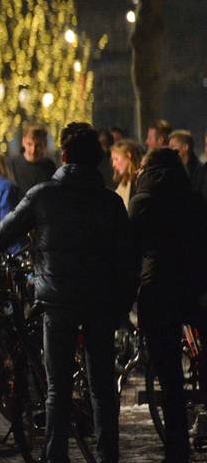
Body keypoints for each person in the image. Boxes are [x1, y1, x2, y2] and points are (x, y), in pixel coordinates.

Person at [0, 123, 137, 463]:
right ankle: (107, 455)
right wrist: (121, 305)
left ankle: (56, 455)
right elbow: (128, 260)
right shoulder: (110, 203)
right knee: (102, 387)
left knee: (58, 388)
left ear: (64, 156)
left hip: (58, 301)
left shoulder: (42, 195)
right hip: (100, 302)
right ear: (96, 160)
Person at [129, 148, 207, 463]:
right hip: (193, 288)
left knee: (169, 375)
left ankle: (177, 448)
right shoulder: (194, 200)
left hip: (157, 290)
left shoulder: (142, 201)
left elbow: (130, 248)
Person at [9, 124, 57, 195]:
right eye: (29, 144)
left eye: (38, 146)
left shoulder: (49, 166)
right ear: (23, 142)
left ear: (45, 144)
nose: (33, 150)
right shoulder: (12, 165)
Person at [168, 130, 207, 202]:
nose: (169, 151)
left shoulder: (201, 172)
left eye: (173, 147)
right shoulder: (171, 170)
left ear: (185, 147)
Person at [110, 139, 141, 208]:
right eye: (112, 160)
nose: (113, 164)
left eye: (116, 159)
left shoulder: (142, 180)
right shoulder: (123, 184)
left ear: (128, 155)